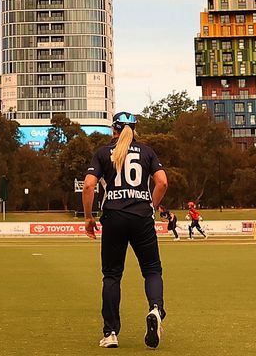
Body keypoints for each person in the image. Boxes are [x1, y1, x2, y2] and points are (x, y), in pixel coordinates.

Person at [83, 111, 167, 350]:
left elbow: (89, 185)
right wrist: (152, 205)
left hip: (114, 217)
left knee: (112, 276)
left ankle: (110, 333)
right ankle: (155, 309)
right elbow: (162, 182)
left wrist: (89, 218)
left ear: (114, 130)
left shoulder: (102, 153)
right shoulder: (148, 152)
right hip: (141, 217)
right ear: (135, 130)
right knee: (152, 270)